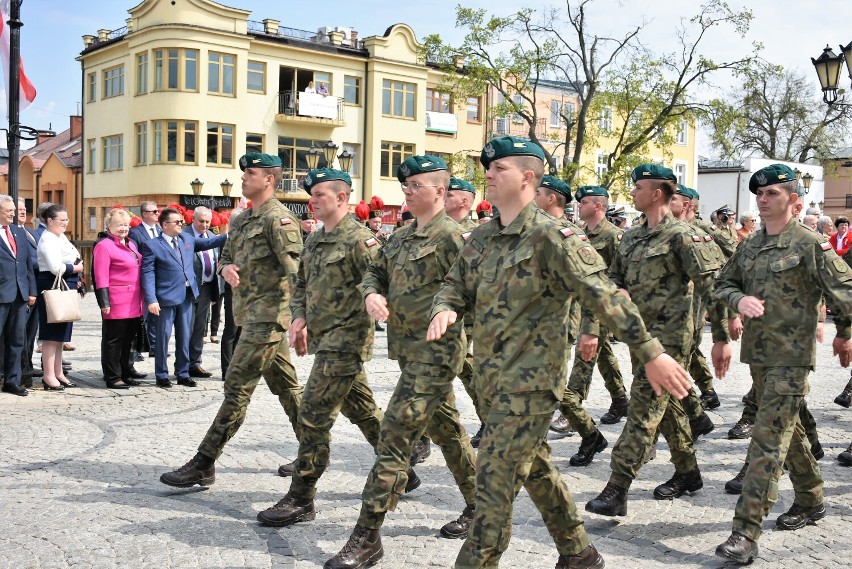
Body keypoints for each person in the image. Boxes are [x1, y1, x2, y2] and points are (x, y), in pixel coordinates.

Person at [428, 138, 692, 569]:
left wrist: (650, 351)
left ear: (527, 178)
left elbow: (604, 295)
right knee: (535, 467)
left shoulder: (554, 236)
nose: (489, 175)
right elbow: (455, 284)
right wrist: (445, 307)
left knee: (492, 484)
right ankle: (579, 553)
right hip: (492, 380)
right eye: (488, 169)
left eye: (499, 169)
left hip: (531, 385)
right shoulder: (482, 236)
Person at [324, 156, 478, 569]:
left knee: (394, 437)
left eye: (415, 185)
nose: (407, 190)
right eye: (405, 185)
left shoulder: (456, 238)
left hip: (437, 355)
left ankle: (367, 534)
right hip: (409, 353)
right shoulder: (402, 236)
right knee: (447, 431)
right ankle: (481, 503)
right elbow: (374, 273)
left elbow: (475, 295)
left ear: (440, 192)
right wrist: (372, 293)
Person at [712, 163, 852, 564]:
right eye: (760, 193)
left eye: (773, 193)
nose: (763, 197)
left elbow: (844, 289)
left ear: (794, 199)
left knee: (767, 439)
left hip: (792, 358)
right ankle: (810, 498)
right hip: (758, 356)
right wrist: (738, 301)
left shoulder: (810, 244)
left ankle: (745, 533)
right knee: (786, 432)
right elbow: (723, 283)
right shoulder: (750, 245)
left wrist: (845, 331)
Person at [585, 164, 722, 520]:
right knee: (669, 408)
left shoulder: (682, 236)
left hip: (671, 341)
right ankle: (688, 472)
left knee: (644, 409)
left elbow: (713, 285)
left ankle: (617, 488)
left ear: (657, 193)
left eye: (637, 187)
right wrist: (618, 289)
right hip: (639, 336)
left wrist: (722, 334)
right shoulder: (631, 237)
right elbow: (613, 276)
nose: (631, 193)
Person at [159, 153, 304, 489]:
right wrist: (225, 268)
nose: (242, 178)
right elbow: (226, 256)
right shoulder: (240, 220)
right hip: (249, 316)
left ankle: (204, 462)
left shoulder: (279, 221)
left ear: (268, 179)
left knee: (236, 389)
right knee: (287, 389)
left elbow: (298, 273)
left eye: (249, 173)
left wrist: (302, 316)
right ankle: (312, 449)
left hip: (269, 319)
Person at [256, 167, 390, 527]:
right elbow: (301, 285)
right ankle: (400, 464)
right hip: (324, 341)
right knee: (362, 410)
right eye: (311, 196)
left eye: (319, 196)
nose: (312, 202)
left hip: (345, 344)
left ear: (342, 198)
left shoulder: (362, 242)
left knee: (312, 417)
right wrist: (298, 318)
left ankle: (301, 498)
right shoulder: (314, 239)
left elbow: (381, 285)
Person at [556, 184, 629, 467]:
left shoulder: (613, 236)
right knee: (603, 356)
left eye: (584, 202)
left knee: (584, 360)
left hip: (600, 310)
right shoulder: (582, 235)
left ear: (598, 206)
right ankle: (621, 398)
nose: (579, 206)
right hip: (581, 305)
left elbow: (620, 276)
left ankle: (572, 414)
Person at [140, 207, 226, 388]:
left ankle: (183, 372)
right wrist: (151, 300)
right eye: (177, 222)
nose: (181, 224)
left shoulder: (186, 239)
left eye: (181, 221)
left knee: (185, 335)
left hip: (187, 297)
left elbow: (210, 243)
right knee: (163, 338)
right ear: (165, 225)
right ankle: (161, 374)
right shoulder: (152, 245)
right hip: (164, 299)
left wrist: (231, 234)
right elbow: (147, 274)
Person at [93, 209, 146, 389]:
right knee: (113, 341)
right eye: (119, 225)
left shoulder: (131, 244)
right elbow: (100, 276)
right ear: (109, 226)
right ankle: (112, 376)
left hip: (133, 300)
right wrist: (104, 302)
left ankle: (125, 371)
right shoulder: (104, 246)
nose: (123, 228)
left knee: (127, 340)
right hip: (116, 301)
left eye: (125, 225)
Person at [36, 204, 83, 391]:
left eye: (67, 219)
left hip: (65, 285)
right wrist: (75, 268)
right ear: (50, 220)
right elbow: (56, 267)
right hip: (51, 283)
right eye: (62, 220)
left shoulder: (60, 236)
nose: (65, 223)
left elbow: (74, 255)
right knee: (50, 334)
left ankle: (58, 372)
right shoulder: (47, 239)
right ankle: (48, 375)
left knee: (61, 334)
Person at [0, 195, 37, 396]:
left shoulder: (17, 232)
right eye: (9, 211)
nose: (14, 214)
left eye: (14, 210)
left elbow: (26, 265)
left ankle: (12, 380)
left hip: (20, 294)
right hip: (1, 293)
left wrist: (31, 290)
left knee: (16, 340)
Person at [187, 206, 221, 379]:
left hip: (207, 288)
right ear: (193, 219)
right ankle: (183, 364)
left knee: (200, 328)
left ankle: (195, 363)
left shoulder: (214, 237)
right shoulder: (184, 235)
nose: (205, 225)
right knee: (187, 327)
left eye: (208, 221)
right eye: (201, 221)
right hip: (188, 289)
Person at [129, 201, 162, 355]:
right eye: (154, 211)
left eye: (158, 211)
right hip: (143, 278)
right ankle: (137, 348)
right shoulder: (135, 232)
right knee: (143, 315)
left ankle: (154, 346)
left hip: (159, 278)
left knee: (156, 314)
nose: (157, 214)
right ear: (144, 214)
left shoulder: (161, 230)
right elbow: (133, 254)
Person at [16, 198, 40, 387]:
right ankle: (20, 370)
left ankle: (27, 365)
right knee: (19, 334)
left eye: (25, 209)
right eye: (18, 209)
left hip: (35, 289)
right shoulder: (11, 233)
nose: (23, 212)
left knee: (30, 333)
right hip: (18, 290)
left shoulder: (31, 232)